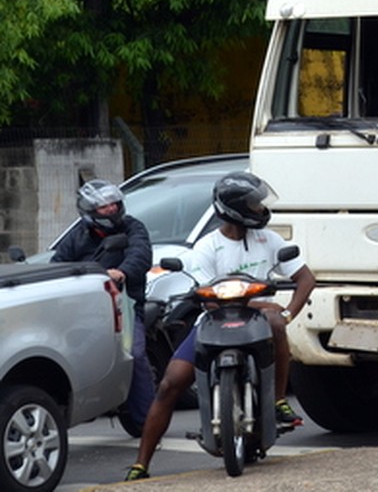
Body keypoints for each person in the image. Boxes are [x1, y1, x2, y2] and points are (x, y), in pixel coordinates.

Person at [125, 171, 317, 481]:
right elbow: (211, 300)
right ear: (233, 209)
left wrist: (287, 313)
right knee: (169, 384)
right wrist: (265, 303)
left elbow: (305, 279)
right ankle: (141, 464)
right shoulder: (206, 247)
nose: (259, 209)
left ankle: (279, 400)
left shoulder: (269, 240)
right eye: (253, 205)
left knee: (276, 323)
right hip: (213, 322)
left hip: (259, 324)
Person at [53, 179, 155, 434]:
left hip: (126, 307)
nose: (111, 209)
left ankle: (149, 421)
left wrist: (122, 273)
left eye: (114, 204)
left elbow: (140, 255)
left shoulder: (133, 228)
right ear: (89, 212)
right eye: (103, 207)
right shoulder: (77, 236)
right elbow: (58, 263)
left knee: (136, 354)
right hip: (84, 310)